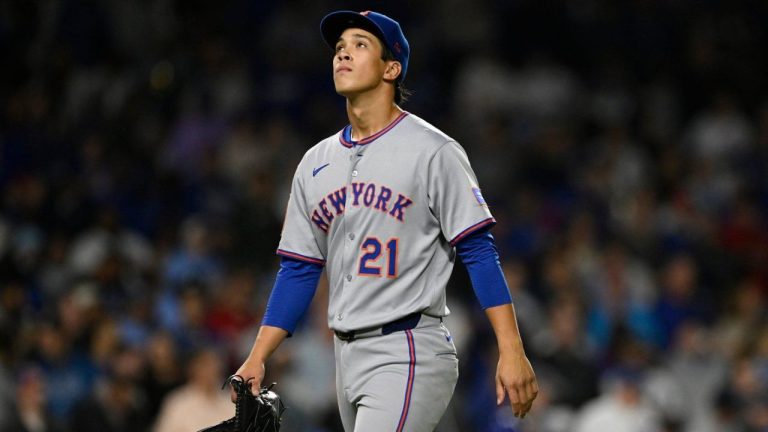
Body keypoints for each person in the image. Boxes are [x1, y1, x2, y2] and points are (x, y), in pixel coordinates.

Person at [234, 10, 538, 431]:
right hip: (345, 354)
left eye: (360, 45)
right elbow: (300, 268)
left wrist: (511, 349)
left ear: (391, 68)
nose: (343, 54)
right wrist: (257, 356)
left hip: (408, 347)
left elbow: (478, 250)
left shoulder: (433, 150)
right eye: (339, 48)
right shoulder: (315, 163)